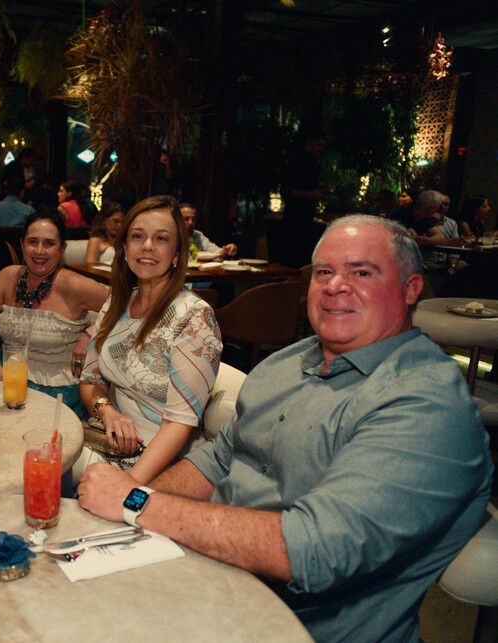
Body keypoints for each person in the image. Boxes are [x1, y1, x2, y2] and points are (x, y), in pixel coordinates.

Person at [77, 215, 493, 642]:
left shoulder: (426, 403)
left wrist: (135, 502)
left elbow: (317, 549)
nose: (335, 286)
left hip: (294, 628)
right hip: (203, 584)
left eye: (362, 273)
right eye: (324, 272)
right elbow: (215, 460)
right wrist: (127, 513)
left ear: (411, 289)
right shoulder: (288, 361)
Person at [78, 195, 222, 485]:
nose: (147, 246)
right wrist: (108, 412)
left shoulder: (194, 317)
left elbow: (178, 424)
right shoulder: (116, 304)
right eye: (137, 236)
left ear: (177, 253)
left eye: (161, 238)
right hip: (108, 438)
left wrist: (127, 487)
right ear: (124, 248)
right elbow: (90, 381)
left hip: (165, 459)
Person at [0, 210, 108, 418]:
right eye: (33, 242)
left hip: (59, 390)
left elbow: (127, 308)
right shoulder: (7, 277)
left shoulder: (75, 285)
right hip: (4, 379)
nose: (39, 251)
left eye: (49, 243)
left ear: (62, 249)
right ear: (22, 244)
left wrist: (90, 333)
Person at [281, 128, 330, 267]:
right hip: (295, 214)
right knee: (295, 252)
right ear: (309, 143)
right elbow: (286, 191)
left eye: (322, 145)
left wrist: (320, 191)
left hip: (306, 213)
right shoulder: (296, 162)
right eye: (318, 144)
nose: (320, 149)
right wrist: (310, 194)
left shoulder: (314, 163)